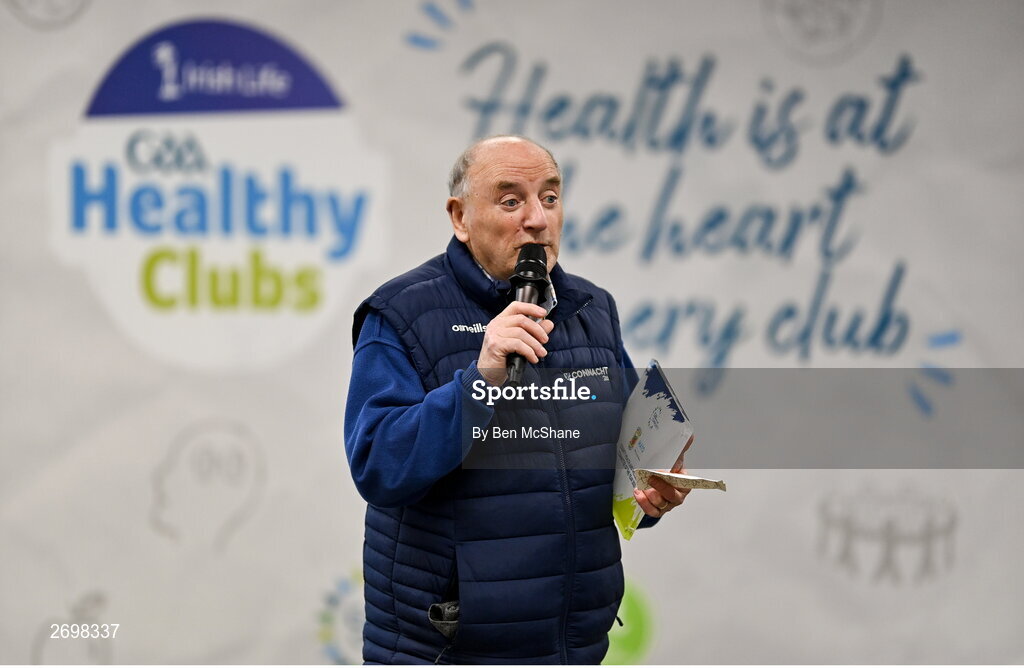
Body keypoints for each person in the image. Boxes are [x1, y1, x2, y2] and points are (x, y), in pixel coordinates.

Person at [344, 136, 688, 664]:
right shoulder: (400, 314)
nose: (537, 219)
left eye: (549, 198)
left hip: (572, 648)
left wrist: (651, 494)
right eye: (511, 201)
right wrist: (478, 380)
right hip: (446, 648)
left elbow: (614, 471)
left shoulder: (593, 311)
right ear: (460, 217)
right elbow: (378, 466)